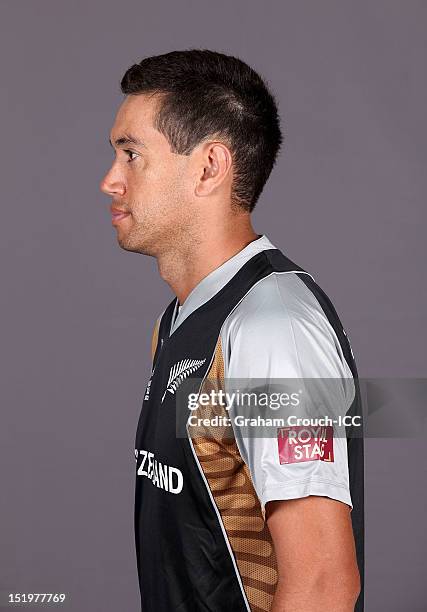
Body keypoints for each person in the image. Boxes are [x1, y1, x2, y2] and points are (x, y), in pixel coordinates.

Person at [100, 48, 364, 612]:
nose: (110, 181)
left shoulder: (273, 326)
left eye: (131, 155)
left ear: (209, 167)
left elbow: (323, 585)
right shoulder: (179, 320)